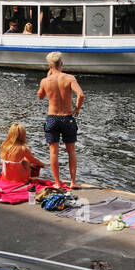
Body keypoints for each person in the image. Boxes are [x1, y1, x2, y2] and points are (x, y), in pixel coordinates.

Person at [37, 51, 84, 188]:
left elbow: (40, 96)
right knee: (71, 151)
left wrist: (46, 78)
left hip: (52, 118)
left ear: (50, 65)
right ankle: (73, 182)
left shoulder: (45, 81)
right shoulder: (69, 78)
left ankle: (57, 183)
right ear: (61, 64)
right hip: (67, 117)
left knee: (53, 152)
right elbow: (80, 95)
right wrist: (77, 109)